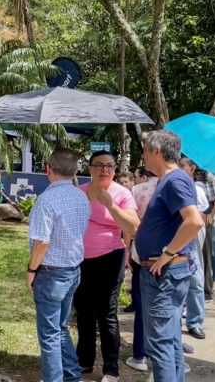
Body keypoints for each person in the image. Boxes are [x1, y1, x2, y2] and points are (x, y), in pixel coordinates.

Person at [135, 131, 204, 382]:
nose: (142, 155)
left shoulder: (174, 180)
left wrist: (167, 253)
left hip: (163, 273)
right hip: (165, 273)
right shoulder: (171, 179)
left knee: (160, 345)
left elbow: (194, 221)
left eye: (144, 150)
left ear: (157, 152)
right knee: (170, 340)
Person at [24, 148, 91, 382]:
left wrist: (32, 269)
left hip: (51, 273)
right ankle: (72, 376)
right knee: (60, 328)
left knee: (50, 335)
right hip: (72, 271)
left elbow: (42, 241)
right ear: (75, 171)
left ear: (47, 169)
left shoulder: (47, 200)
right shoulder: (81, 196)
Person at [75, 151, 140, 381]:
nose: (105, 170)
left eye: (109, 166)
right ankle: (84, 361)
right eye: (99, 165)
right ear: (90, 168)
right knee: (83, 312)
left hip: (110, 259)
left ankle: (111, 369)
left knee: (106, 313)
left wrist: (111, 206)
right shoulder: (79, 192)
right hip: (80, 260)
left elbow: (132, 227)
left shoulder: (122, 194)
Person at [125, 166, 159, 372]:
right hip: (172, 257)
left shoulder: (138, 191)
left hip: (142, 254)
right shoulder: (181, 186)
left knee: (141, 305)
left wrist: (128, 250)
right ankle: (168, 356)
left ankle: (140, 355)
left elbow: (130, 225)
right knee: (169, 309)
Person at [179, 155, 210, 341]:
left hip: (192, 237)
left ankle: (195, 322)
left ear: (192, 168)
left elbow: (200, 209)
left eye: (183, 166)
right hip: (175, 236)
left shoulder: (197, 187)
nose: (181, 168)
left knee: (196, 280)